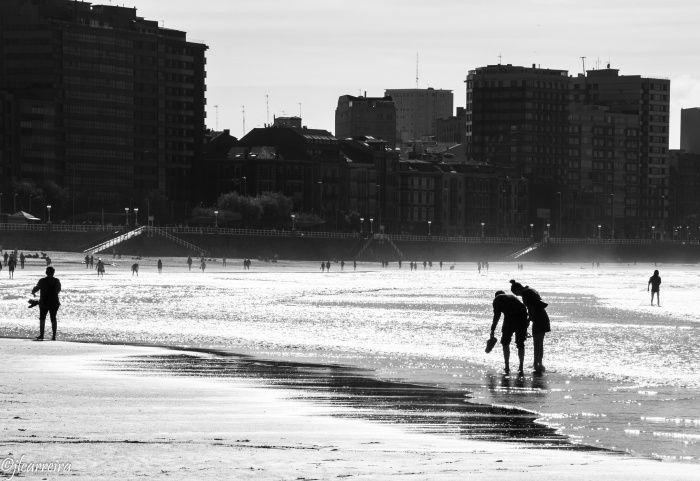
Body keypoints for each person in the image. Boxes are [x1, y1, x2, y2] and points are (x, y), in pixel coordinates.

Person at [510, 280, 551, 374]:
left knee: (537, 344)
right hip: (542, 318)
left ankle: (537, 364)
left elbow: (531, 308)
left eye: (516, 293)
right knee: (539, 343)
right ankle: (538, 363)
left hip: (539, 319)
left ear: (517, 289)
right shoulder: (529, 290)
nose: (517, 295)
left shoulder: (526, 294)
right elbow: (532, 308)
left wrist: (528, 321)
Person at [490, 290, 529, 375]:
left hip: (510, 319)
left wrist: (492, 329)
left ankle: (507, 366)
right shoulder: (512, 297)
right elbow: (523, 308)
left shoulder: (497, 299)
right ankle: (521, 367)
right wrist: (525, 326)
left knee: (505, 342)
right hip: (522, 318)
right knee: (520, 343)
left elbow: (497, 316)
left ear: (496, 296)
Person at [31, 266, 61, 341]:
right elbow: (58, 290)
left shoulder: (42, 280)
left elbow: (36, 288)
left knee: (42, 318)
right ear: (53, 273)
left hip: (44, 302)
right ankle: (54, 336)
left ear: (46, 272)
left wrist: (33, 292)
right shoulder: (56, 281)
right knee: (53, 318)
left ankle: (41, 335)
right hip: (54, 302)